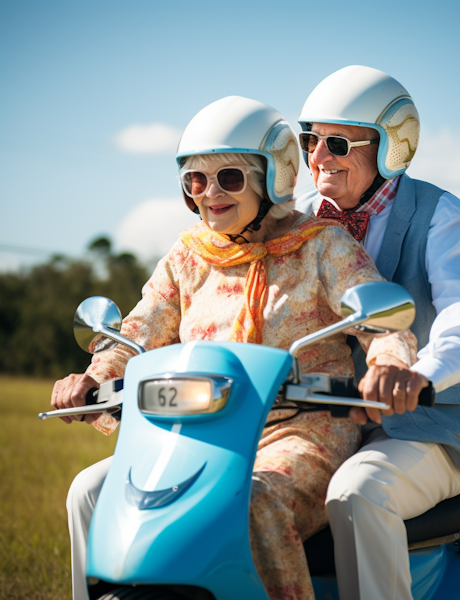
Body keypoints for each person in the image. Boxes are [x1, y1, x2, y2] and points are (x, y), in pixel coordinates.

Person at [50, 96, 418, 600]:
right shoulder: (187, 256)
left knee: (254, 503)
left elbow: (378, 319)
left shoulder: (323, 245)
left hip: (298, 430)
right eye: (195, 180)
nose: (208, 193)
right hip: (194, 434)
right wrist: (95, 375)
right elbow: (140, 327)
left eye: (228, 177)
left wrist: (390, 362)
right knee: (91, 492)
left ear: (275, 175)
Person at [295, 65, 460, 600]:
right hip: (323, 421)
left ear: (392, 146)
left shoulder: (440, 214)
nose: (316, 158)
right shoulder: (300, 219)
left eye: (337, 143)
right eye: (309, 139)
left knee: (359, 494)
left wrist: (416, 375)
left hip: (429, 424)